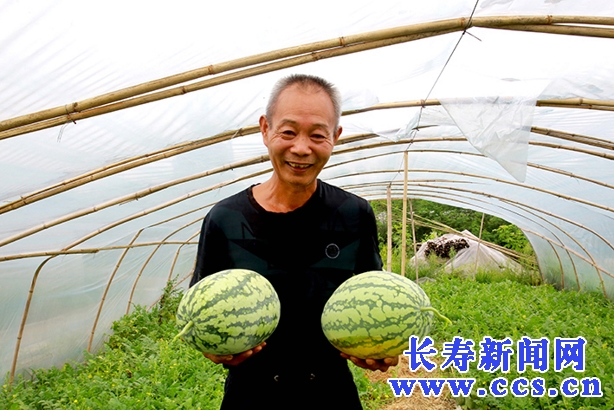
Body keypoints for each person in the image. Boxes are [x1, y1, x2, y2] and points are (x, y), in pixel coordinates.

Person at [190, 74, 399, 409]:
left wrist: (375, 345)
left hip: (331, 393)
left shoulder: (354, 214)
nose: (301, 148)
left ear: (336, 137)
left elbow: (372, 298)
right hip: (251, 395)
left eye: (317, 135)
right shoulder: (225, 219)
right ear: (265, 129)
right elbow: (198, 311)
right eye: (288, 132)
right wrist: (211, 345)